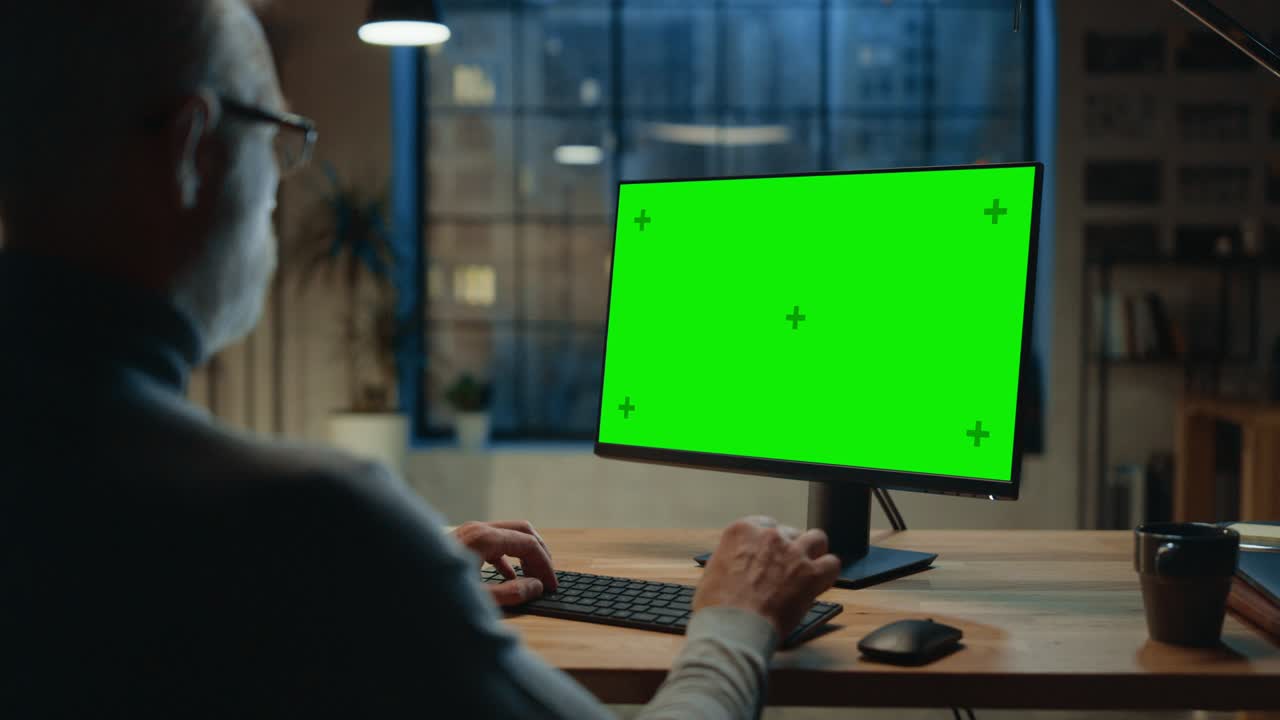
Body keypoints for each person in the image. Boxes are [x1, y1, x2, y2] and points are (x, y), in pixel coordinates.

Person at [0, 1, 841, 717]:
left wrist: (388, 585)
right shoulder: (316, 528)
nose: (282, 183)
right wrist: (735, 620)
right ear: (191, 147)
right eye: (280, 136)